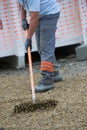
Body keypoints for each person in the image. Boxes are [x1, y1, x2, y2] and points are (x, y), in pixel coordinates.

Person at [18, 0, 62, 93]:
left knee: (45, 48)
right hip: (39, 15)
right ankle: (54, 72)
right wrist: (23, 18)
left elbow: (34, 18)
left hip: (49, 14)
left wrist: (29, 38)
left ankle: (47, 79)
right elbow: (21, 3)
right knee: (42, 48)